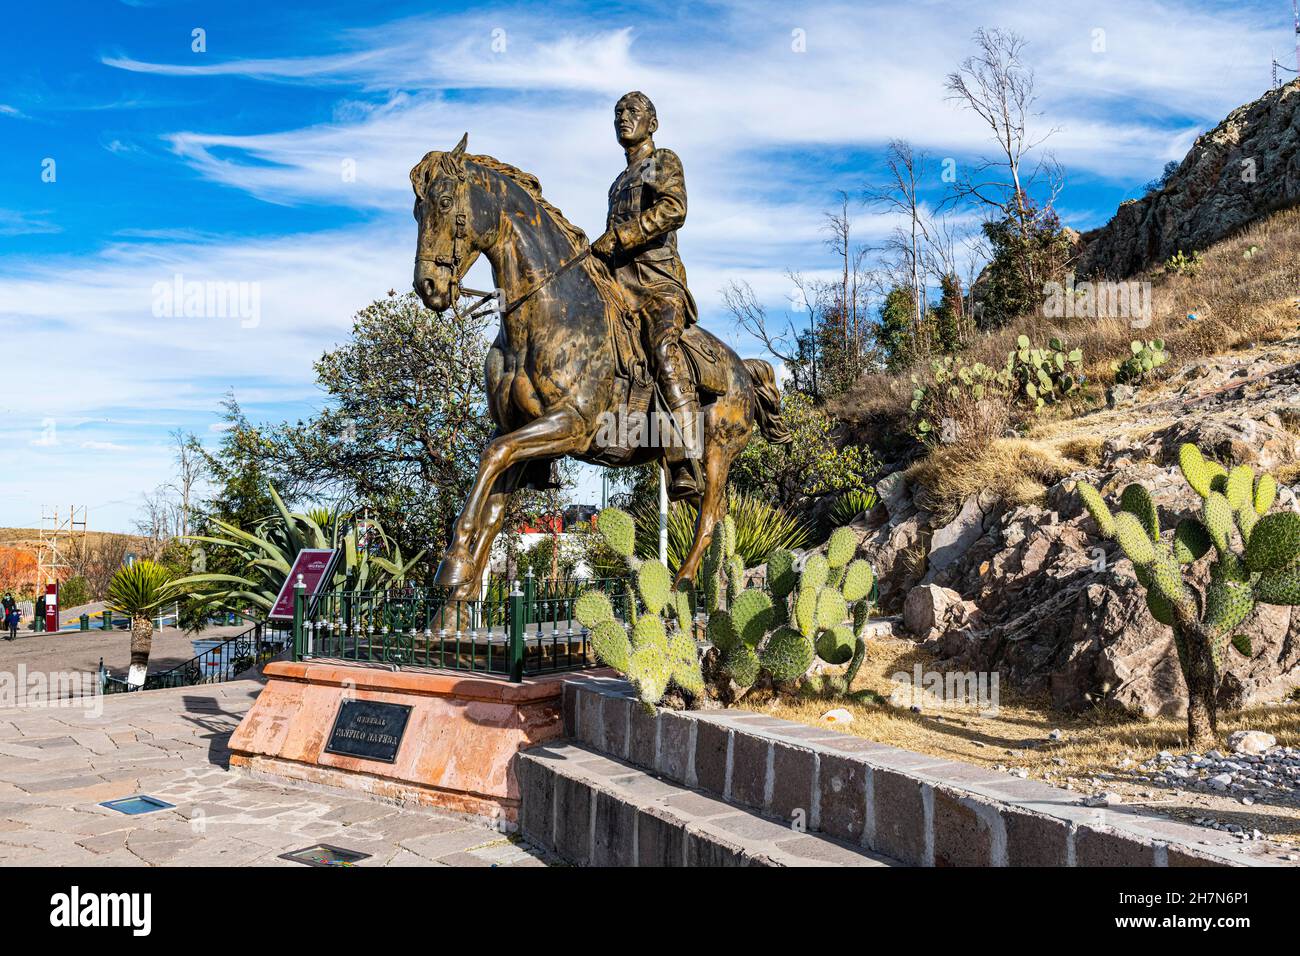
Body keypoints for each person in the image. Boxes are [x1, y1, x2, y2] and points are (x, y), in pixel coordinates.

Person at [591, 90, 701, 497]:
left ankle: (686, 457)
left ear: (652, 123)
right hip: (620, 287)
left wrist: (620, 236)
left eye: (633, 111)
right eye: (618, 112)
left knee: (662, 350)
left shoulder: (662, 161)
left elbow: (675, 209)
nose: (623, 117)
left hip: (657, 283)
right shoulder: (617, 184)